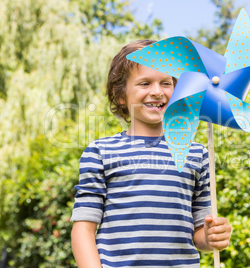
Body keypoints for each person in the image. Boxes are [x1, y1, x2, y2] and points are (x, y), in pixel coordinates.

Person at [70, 39, 232, 268]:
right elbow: (83, 230)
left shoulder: (197, 154)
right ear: (120, 96)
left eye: (166, 83)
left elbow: (198, 233)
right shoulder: (100, 152)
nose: (157, 92)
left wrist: (211, 236)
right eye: (144, 83)